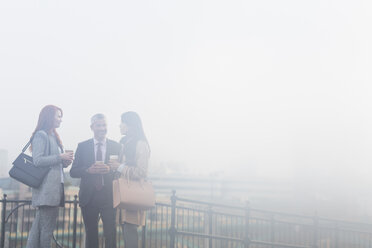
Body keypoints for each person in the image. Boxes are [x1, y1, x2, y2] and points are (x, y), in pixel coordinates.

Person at [70, 113, 121, 248]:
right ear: (92, 127)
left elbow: (120, 171)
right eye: (99, 125)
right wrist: (88, 170)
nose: (102, 128)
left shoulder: (116, 146)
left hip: (109, 197)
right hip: (89, 197)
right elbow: (73, 171)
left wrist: (109, 169)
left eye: (104, 125)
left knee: (111, 234)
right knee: (91, 234)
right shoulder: (82, 146)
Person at [26, 105, 74, 248]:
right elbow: (38, 160)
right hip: (47, 190)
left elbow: (53, 161)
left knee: (38, 228)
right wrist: (60, 156)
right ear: (49, 117)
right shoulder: (41, 135)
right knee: (46, 230)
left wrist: (64, 162)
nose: (61, 120)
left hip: (53, 189)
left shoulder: (53, 136)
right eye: (58, 116)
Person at [110, 111, 151, 248]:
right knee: (124, 229)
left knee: (130, 230)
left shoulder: (141, 144)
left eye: (122, 122)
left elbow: (142, 172)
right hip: (121, 192)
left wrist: (120, 167)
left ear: (130, 125)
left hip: (132, 193)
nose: (120, 125)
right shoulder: (124, 143)